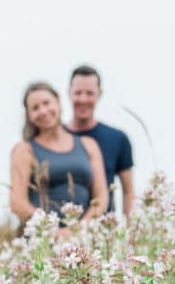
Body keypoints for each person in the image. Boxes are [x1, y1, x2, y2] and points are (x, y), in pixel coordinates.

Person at [10, 81, 108, 233]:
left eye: (46, 103)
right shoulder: (24, 150)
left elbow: (101, 197)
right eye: (35, 108)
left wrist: (79, 229)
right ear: (29, 115)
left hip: (85, 236)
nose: (43, 111)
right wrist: (53, 230)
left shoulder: (89, 145)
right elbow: (17, 203)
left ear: (58, 102)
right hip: (43, 237)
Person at [67, 65, 134, 219]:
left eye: (89, 93)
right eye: (78, 93)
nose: (83, 99)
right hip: (62, 231)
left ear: (100, 94)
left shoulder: (118, 139)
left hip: (104, 231)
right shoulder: (53, 138)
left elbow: (128, 191)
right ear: (69, 93)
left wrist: (132, 234)